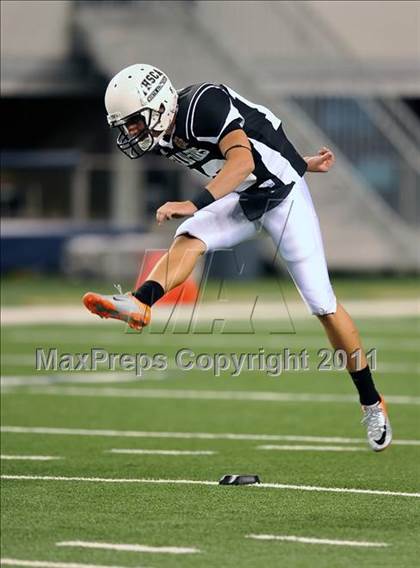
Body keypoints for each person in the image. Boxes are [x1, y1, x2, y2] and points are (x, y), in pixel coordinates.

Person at [83, 64, 391, 452]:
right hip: (244, 198)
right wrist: (300, 159)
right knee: (190, 237)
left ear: (159, 105)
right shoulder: (163, 134)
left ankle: (371, 401)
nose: (131, 133)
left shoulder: (203, 104)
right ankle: (140, 301)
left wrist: (193, 202)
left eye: (134, 122)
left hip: (282, 196)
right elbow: (261, 128)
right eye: (125, 126)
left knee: (322, 304)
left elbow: (243, 160)